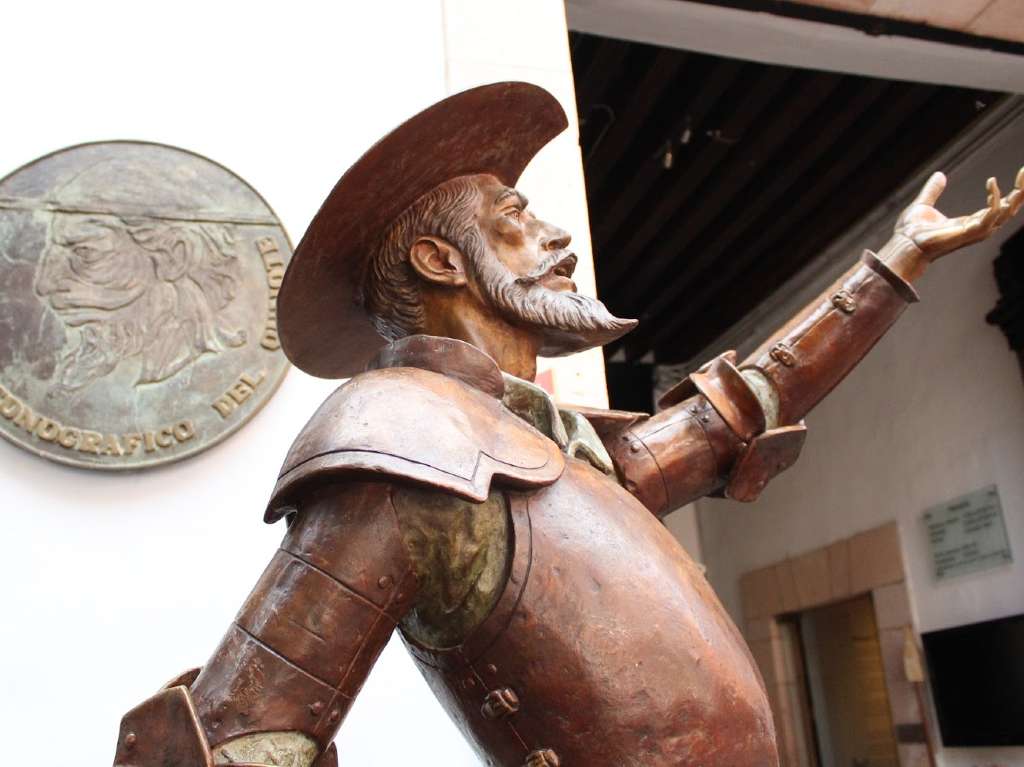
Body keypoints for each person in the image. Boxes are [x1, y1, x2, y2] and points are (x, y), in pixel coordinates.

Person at [111, 82, 1022, 767]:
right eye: (516, 218)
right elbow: (239, 736)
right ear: (439, 259)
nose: (558, 237)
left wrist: (896, 262)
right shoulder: (399, 444)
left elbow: (732, 414)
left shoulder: (546, 443)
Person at [35, 160, 245, 391]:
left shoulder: (222, 372)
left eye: (85, 253)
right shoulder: (88, 362)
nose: (45, 284)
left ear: (173, 258)